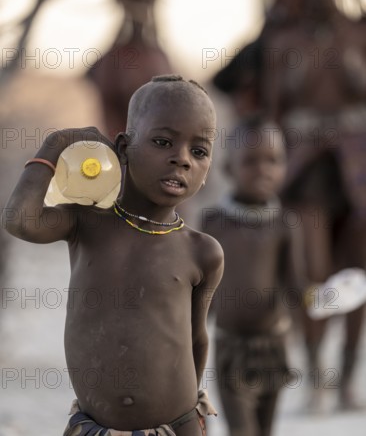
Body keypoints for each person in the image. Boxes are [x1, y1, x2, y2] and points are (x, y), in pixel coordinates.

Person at [3, 75, 224, 436]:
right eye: (163, 142)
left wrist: (189, 413)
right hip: (96, 428)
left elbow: (197, 338)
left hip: (177, 427)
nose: (181, 159)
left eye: (198, 151)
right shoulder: (87, 221)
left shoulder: (202, 252)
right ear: (123, 147)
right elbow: (20, 222)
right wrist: (55, 144)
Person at [261, 0, 366, 410]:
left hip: (357, 169)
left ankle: (346, 378)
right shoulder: (285, 40)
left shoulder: (358, 34)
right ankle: (317, 377)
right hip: (307, 171)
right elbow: (270, 109)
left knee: (358, 275)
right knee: (316, 276)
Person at [202, 115, 304, 436]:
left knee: (264, 429)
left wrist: (325, 297)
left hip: (273, 344)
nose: (263, 169)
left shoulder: (286, 224)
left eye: (273, 160)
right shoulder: (214, 223)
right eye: (251, 161)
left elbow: (296, 286)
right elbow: (198, 285)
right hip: (230, 346)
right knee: (242, 429)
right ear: (229, 167)